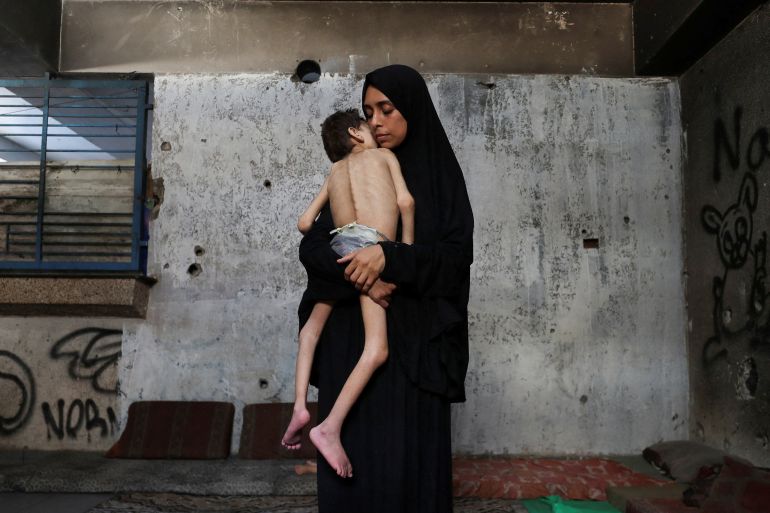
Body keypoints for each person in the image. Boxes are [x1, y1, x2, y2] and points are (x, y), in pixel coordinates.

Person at [298, 64, 474, 513]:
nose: (376, 121)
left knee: (407, 475)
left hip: (414, 353)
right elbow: (314, 248)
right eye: (368, 111)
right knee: (352, 481)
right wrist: (363, 271)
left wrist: (390, 258)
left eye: (387, 109)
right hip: (348, 347)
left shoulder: (438, 179)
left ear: (411, 109)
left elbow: (454, 259)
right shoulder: (349, 169)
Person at [281, 109, 415, 478]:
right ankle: (329, 426)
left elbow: (305, 223)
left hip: (339, 247)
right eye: (368, 126)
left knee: (310, 330)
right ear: (357, 133)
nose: (375, 129)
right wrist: (404, 253)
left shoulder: (334, 171)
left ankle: (299, 408)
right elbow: (405, 203)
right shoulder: (385, 156)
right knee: (377, 349)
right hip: (370, 247)